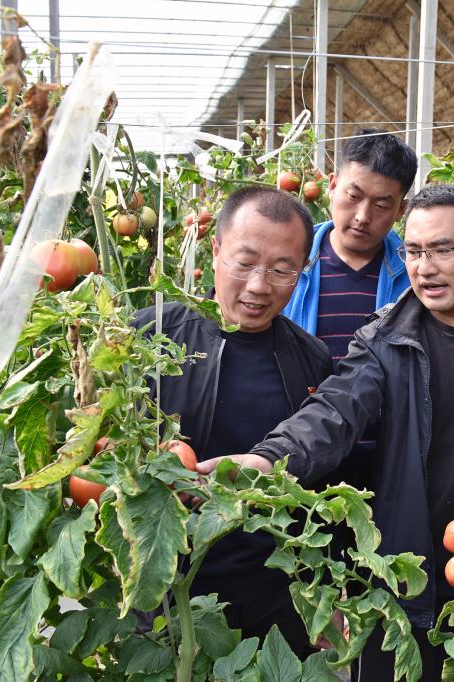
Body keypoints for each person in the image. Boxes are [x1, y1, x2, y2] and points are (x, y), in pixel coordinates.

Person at [197, 184, 454, 680]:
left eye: (442, 249)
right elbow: (334, 410)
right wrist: (269, 458)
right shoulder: (386, 340)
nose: (425, 267)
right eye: (413, 251)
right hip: (406, 576)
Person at [132, 186, 333, 656]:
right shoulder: (149, 336)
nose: (260, 285)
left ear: (303, 270)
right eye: (245, 263)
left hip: (274, 592)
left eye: (282, 270)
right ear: (216, 249)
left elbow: (320, 479)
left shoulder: (311, 359)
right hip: (167, 587)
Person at [282, 127, 417, 366]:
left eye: (381, 206)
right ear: (333, 186)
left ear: (401, 210)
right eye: (354, 196)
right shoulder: (287, 261)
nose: (363, 217)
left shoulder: (414, 275)